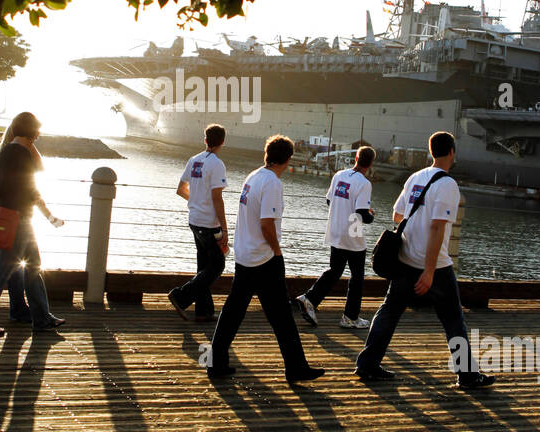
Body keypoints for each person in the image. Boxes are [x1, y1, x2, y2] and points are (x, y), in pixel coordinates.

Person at [355, 131, 494, 390]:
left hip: (405, 257)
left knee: (389, 311)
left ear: (431, 151)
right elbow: (437, 228)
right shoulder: (448, 185)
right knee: (453, 319)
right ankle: (466, 375)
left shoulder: (416, 177)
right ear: (451, 152)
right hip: (435, 265)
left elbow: (398, 215)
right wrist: (429, 272)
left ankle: (367, 363)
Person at [206, 135, 325, 384]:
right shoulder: (272, 183)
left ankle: (216, 363)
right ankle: (296, 368)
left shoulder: (254, 176)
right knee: (281, 316)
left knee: (233, 311)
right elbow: (267, 225)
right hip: (264, 258)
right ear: (288, 158)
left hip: (245, 255)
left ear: (267, 153)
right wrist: (277, 252)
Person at [0, 112, 67, 338]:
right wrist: (49, 215)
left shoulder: (5, 151)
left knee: (33, 267)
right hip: (19, 220)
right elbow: (32, 184)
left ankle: (42, 317)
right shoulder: (21, 153)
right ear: (33, 131)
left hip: (11, 218)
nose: (39, 135)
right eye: (37, 131)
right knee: (3, 271)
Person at [296, 145, 376, 330]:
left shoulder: (339, 175)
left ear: (356, 158)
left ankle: (310, 298)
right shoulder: (364, 183)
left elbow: (329, 200)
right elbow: (362, 213)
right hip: (353, 235)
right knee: (357, 277)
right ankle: (350, 317)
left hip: (335, 230)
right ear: (370, 163)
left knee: (335, 270)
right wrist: (372, 215)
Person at [168, 124, 229, 322]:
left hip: (194, 220)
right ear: (222, 142)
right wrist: (225, 228)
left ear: (205, 140)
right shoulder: (217, 164)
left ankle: (203, 311)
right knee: (217, 265)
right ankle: (180, 295)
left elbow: (180, 189)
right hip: (209, 224)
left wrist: (195, 202)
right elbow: (217, 198)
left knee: (203, 266)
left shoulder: (194, 160)